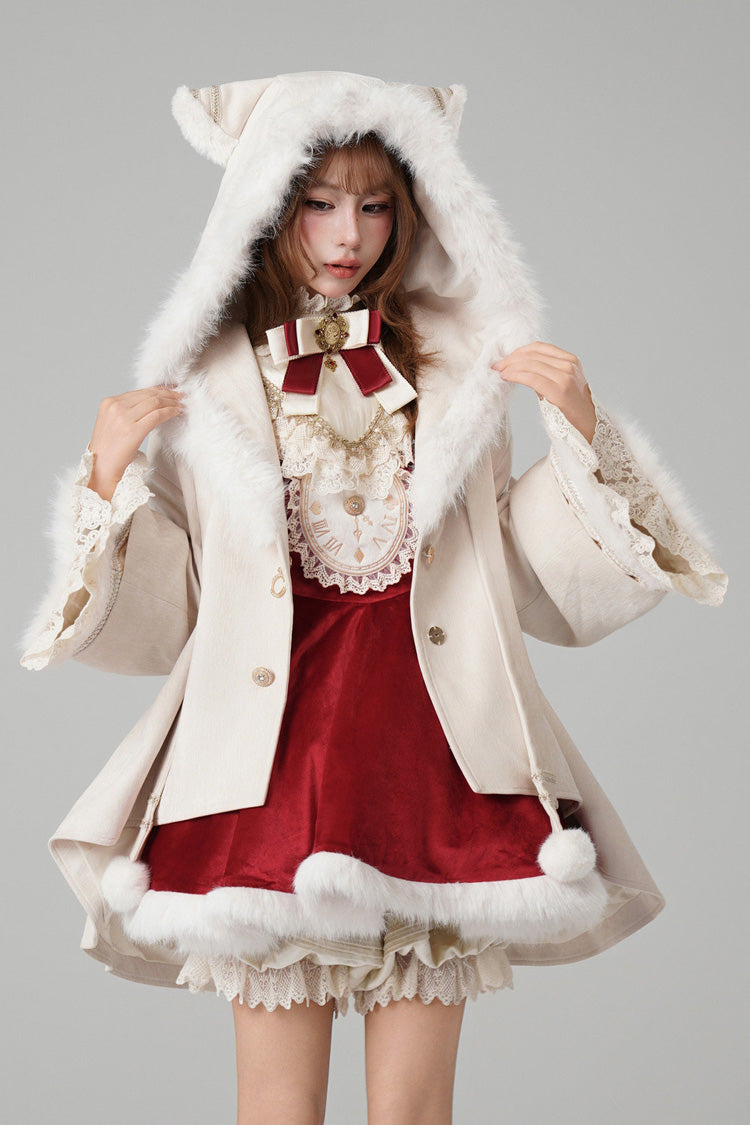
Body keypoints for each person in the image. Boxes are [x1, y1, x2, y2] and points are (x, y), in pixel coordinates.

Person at [18, 71, 728, 1125]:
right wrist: (106, 478)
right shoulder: (205, 384)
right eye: (317, 201)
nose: (347, 233)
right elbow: (170, 614)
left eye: (375, 203)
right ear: (265, 204)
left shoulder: (461, 370)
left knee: (415, 1112)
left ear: (411, 211)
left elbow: (521, 573)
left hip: (431, 756)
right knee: (277, 1107)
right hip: (265, 767)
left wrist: (583, 434)